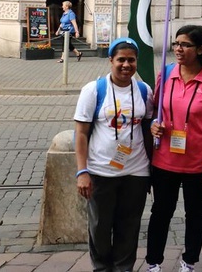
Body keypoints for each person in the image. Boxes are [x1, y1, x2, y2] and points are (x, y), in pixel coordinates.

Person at [145, 25, 202, 272]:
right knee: (160, 212)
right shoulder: (166, 73)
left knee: (195, 213)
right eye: (176, 43)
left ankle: (189, 260)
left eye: (185, 45)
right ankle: (153, 262)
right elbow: (154, 112)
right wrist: (154, 126)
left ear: (201, 49)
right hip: (164, 160)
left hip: (197, 164)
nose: (178, 49)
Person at [74, 37, 154, 272]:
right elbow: (80, 133)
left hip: (136, 171)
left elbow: (148, 130)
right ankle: (101, 268)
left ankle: (123, 268)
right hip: (100, 172)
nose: (126, 65)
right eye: (121, 59)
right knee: (99, 227)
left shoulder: (143, 90)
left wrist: (152, 169)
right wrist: (82, 171)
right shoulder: (94, 90)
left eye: (131, 60)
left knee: (129, 226)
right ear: (111, 60)